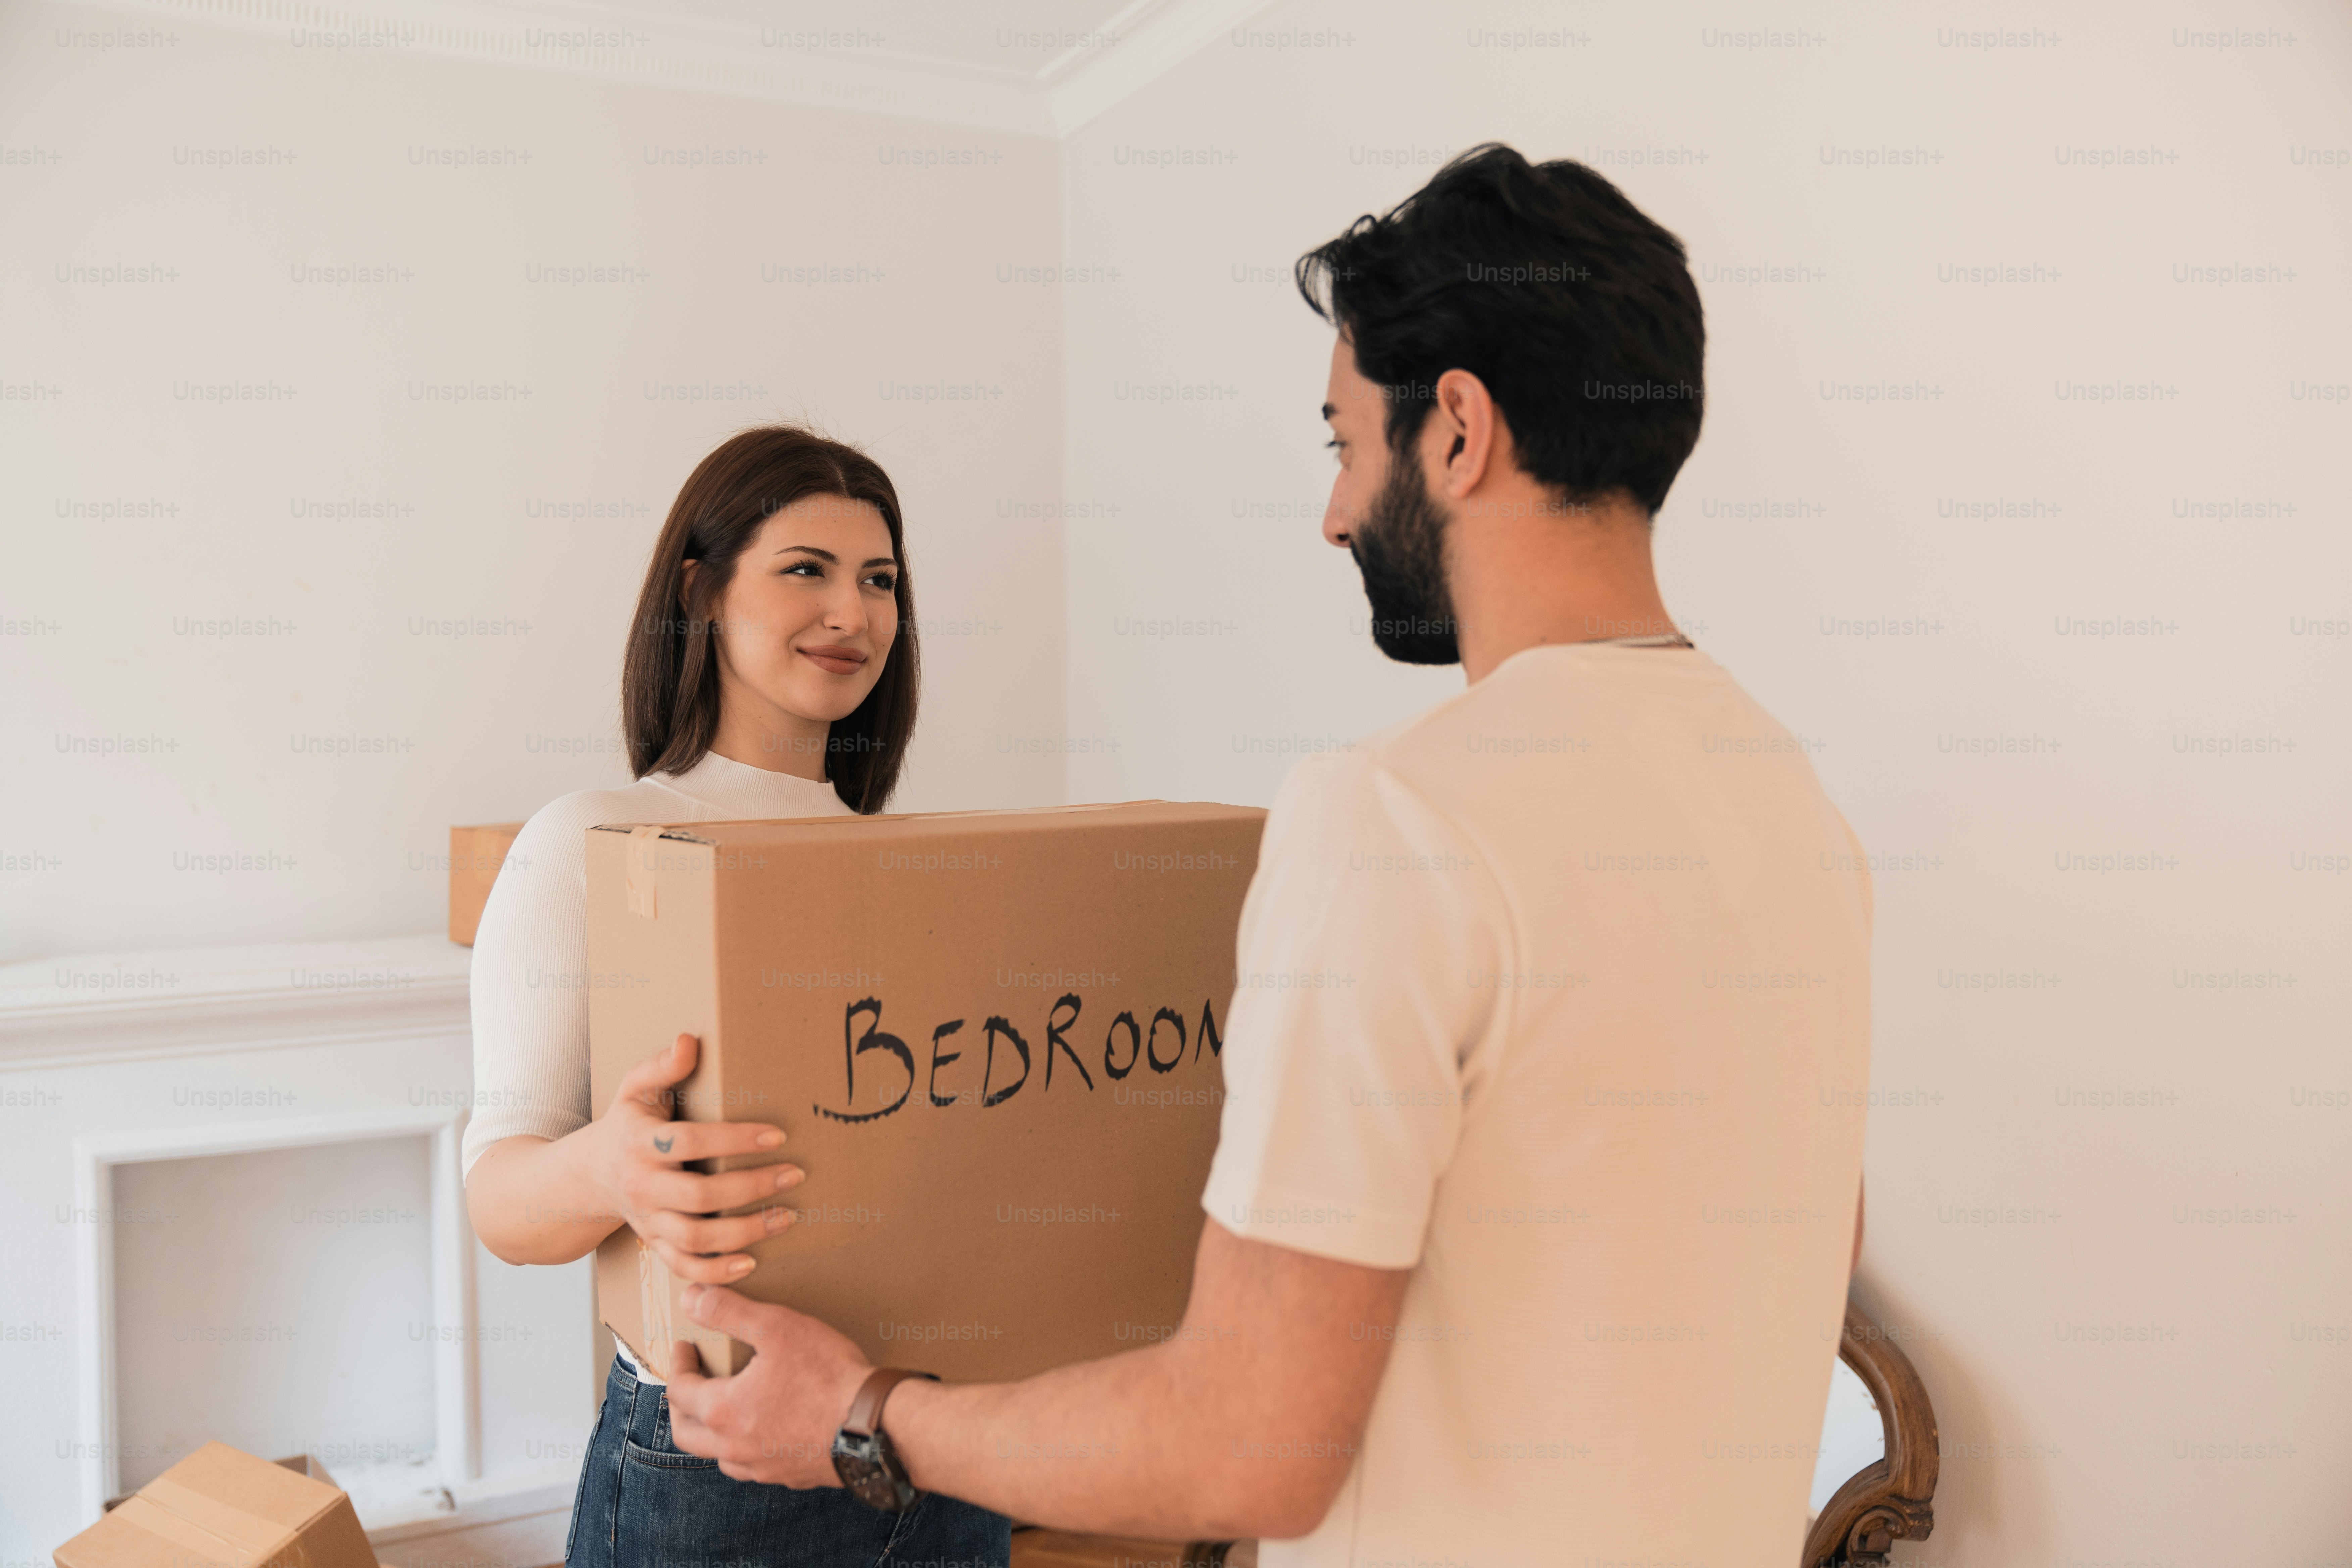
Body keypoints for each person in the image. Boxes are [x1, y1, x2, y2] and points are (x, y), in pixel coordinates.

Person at [663, 145, 1874, 1564]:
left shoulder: (1398, 817)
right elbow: (1799, 1257)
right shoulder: (1795, 810)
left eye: (1344, 440)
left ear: (1459, 431)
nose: (1337, 511)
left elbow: (1245, 1446)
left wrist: (867, 1414)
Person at [460, 426, 1010, 1568]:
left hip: (931, 1431)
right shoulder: (591, 842)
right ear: (702, 593)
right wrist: (612, 1166)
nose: (851, 614)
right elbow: (501, 1204)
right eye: (805, 569)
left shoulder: (926, 865)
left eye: (881, 582)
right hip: (716, 1457)